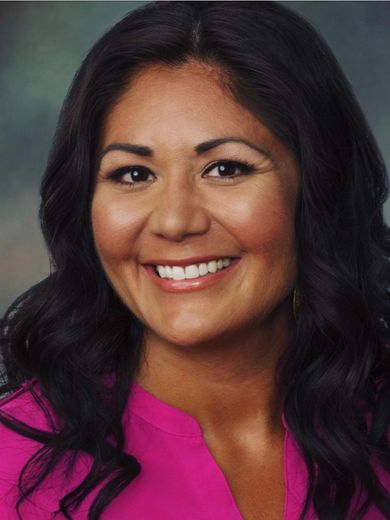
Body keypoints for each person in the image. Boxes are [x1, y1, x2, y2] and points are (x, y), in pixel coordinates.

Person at [0, 1, 389, 519]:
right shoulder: (14, 467)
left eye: (225, 168)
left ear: (319, 188)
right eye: (133, 175)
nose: (175, 221)